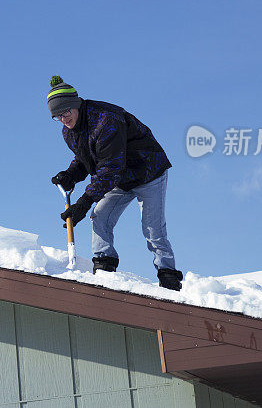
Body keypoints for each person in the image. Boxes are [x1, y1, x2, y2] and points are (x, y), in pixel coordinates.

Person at [47, 76, 184, 291]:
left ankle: (168, 277)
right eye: (57, 116)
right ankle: (104, 267)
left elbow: (111, 167)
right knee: (99, 216)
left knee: (152, 229)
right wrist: (71, 174)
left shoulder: (105, 120)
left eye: (65, 112)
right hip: (119, 179)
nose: (63, 119)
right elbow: (89, 158)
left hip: (148, 173)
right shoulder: (69, 131)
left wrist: (84, 202)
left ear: (76, 106)